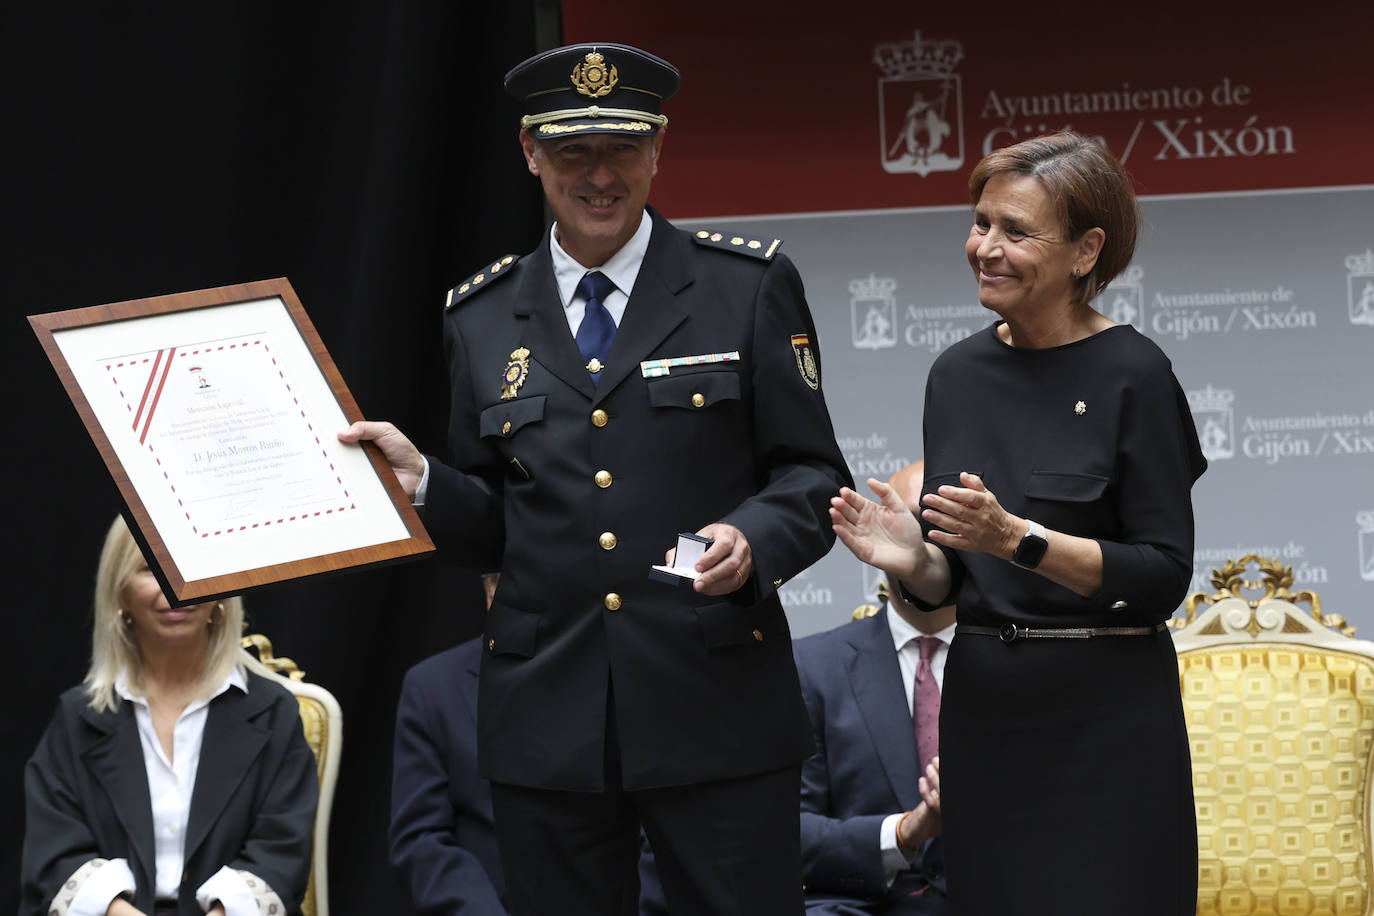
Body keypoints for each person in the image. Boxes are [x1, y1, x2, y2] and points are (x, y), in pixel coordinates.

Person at [341, 41, 851, 916]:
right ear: (531, 155)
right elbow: (497, 523)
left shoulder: (748, 286)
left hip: (716, 701)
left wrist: (753, 539)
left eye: (622, 148)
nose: (600, 175)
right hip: (550, 717)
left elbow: (812, 475)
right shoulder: (481, 314)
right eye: (575, 152)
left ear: (658, 149)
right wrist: (424, 481)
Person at [830, 131, 1206, 914]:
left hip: (1107, 716)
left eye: (1015, 231)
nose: (985, 248)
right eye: (980, 223)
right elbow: (949, 587)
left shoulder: (1134, 374)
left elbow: (1161, 577)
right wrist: (911, 560)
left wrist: (1018, 539)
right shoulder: (956, 376)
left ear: (1085, 251)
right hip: (990, 718)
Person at [21, 516, 318, 916]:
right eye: (150, 569)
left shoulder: (273, 712)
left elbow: (282, 848)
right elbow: (53, 850)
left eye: (190, 566)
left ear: (220, 591)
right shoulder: (78, 717)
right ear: (120, 592)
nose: (175, 588)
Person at [389, 571, 667, 915]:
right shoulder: (431, 686)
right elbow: (421, 839)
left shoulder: (624, 675)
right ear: (490, 593)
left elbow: (663, 820)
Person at [796, 462, 950, 915]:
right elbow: (789, 835)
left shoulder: (1019, 664)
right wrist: (906, 831)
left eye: (940, 528)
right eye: (912, 523)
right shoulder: (814, 668)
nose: (921, 545)